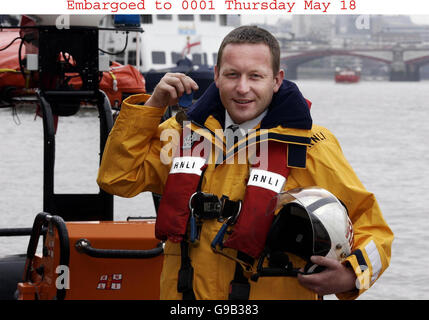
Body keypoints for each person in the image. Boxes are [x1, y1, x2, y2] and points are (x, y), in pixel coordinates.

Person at [97, 25, 393, 300]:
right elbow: (117, 178)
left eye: (255, 76)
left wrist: (351, 276)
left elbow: (373, 228)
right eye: (232, 74)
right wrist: (152, 107)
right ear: (216, 75)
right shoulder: (181, 134)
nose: (242, 88)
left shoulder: (311, 146)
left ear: (277, 80)